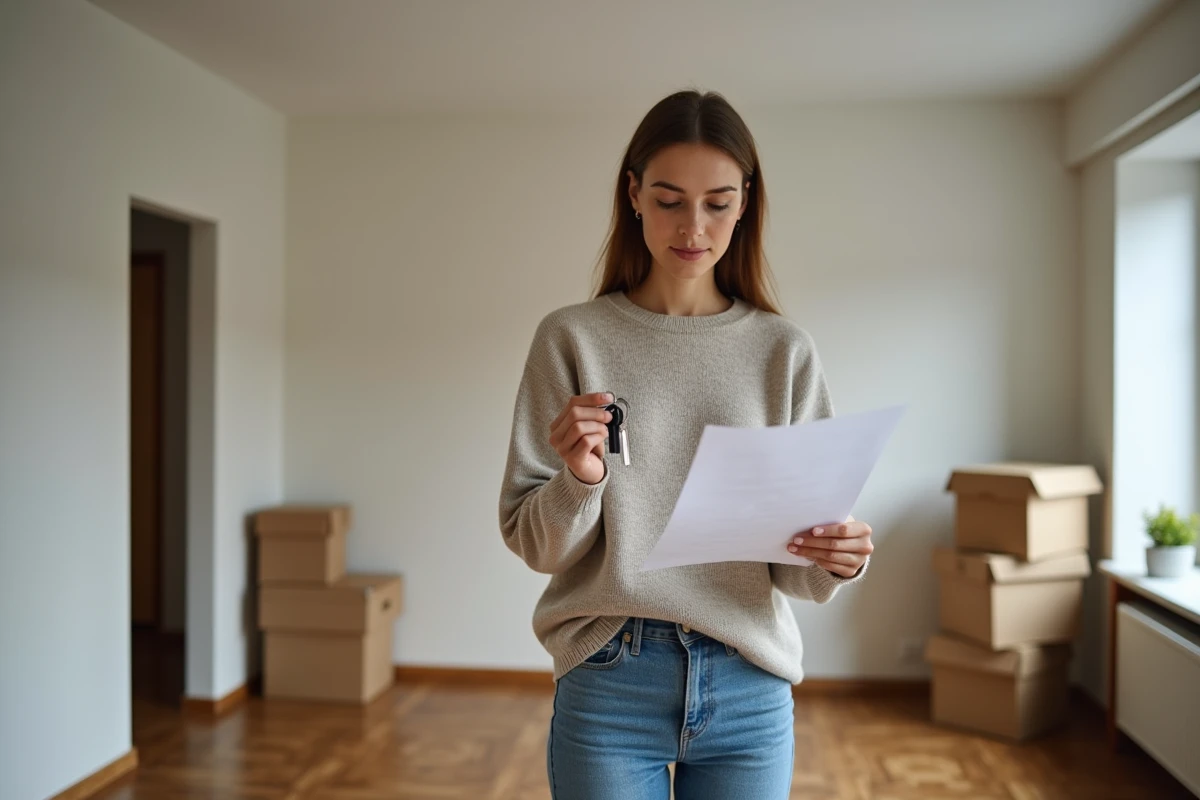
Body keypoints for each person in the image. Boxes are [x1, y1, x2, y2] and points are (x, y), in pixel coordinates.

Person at [497, 89, 874, 800]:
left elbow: (797, 573)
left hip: (749, 684)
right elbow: (538, 547)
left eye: (718, 202)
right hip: (610, 677)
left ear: (745, 203)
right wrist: (579, 480)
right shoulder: (571, 338)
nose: (693, 226)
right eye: (669, 200)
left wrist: (837, 559)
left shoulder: (783, 351)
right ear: (633, 194)